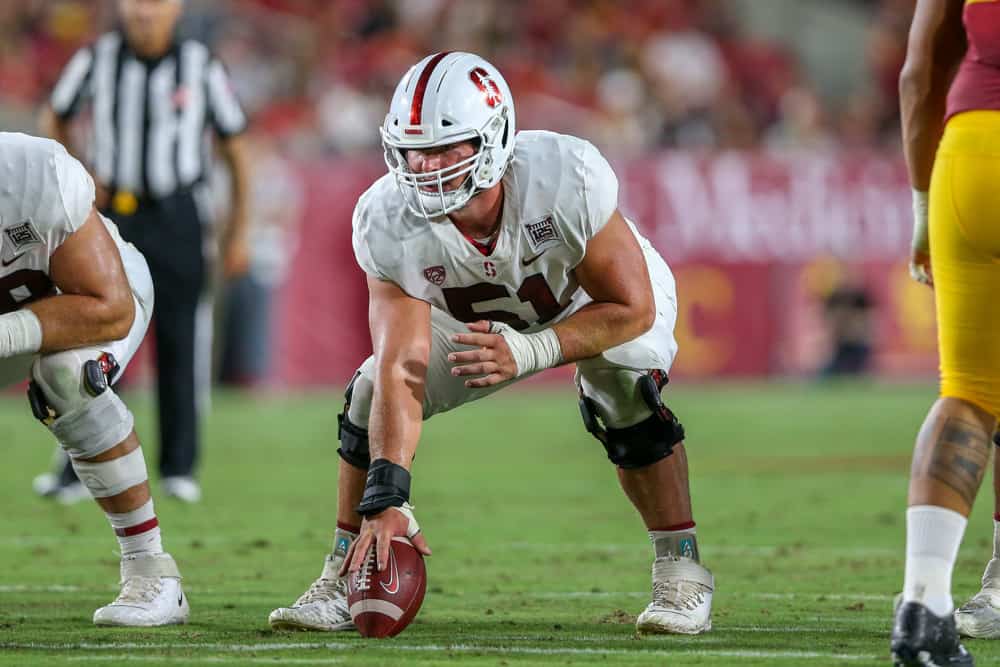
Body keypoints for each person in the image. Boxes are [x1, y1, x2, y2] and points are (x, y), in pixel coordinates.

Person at [268, 52, 713, 636]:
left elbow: (632, 307)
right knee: (371, 386)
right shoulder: (385, 218)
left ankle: (681, 571)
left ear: (495, 138)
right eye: (413, 150)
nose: (426, 167)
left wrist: (531, 350)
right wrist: (386, 493)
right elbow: (403, 364)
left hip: (590, 305)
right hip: (476, 326)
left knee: (623, 387)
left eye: (447, 148)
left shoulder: (565, 174)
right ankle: (343, 568)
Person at [37, 0, 251, 503]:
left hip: (178, 213)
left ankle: (180, 467)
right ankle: (75, 468)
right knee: (95, 336)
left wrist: (239, 230)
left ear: (175, 8)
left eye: (155, 3)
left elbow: (237, 149)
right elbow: (57, 115)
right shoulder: (97, 59)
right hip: (115, 213)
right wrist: (80, 173)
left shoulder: (201, 64)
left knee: (182, 340)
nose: (144, 13)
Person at [0, 131, 188, 626]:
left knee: (66, 378)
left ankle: (152, 571)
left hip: (92, 300)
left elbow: (111, 309)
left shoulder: (31, 173)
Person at [893, 1, 1000, 664]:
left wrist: (922, 202)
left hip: (971, 154)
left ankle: (925, 603)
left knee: (967, 390)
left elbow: (916, 73)